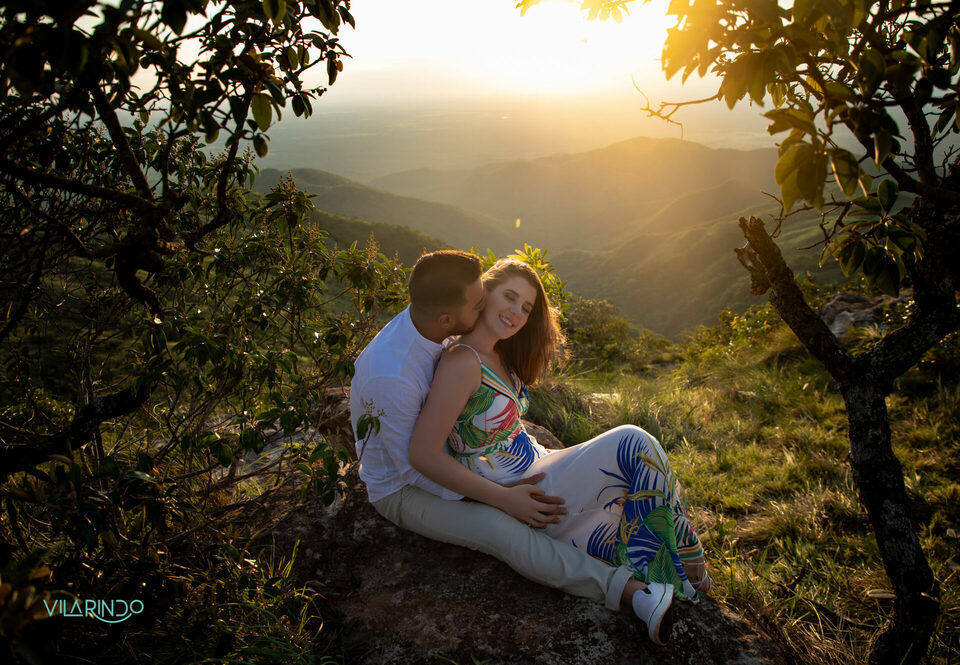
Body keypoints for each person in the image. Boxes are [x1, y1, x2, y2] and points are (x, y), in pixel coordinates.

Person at [350, 250, 676, 646]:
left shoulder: (444, 328)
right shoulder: (394, 374)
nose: (488, 304)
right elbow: (414, 464)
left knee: (630, 447)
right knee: (500, 531)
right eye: (480, 302)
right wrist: (500, 499)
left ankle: (677, 562)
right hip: (402, 490)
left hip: (470, 463)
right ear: (448, 320)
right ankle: (628, 591)